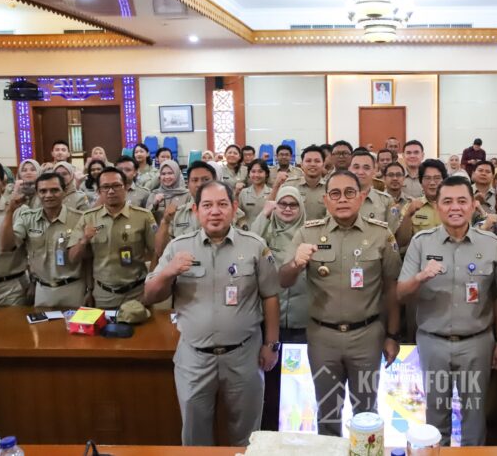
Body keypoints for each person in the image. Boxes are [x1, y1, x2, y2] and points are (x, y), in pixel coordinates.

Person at [144, 180, 280, 446]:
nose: (214, 211)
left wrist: (271, 344)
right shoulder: (178, 247)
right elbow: (150, 295)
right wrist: (168, 271)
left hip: (244, 356)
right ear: (196, 210)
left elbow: (270, 296)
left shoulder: (254, 245)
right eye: (207, 205)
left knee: (247, 436)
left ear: (234, 207)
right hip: (194, 358)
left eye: (222, 204)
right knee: (195, 437)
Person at [279, 171, 401, 437]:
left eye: (349, 193)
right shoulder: (308, 233)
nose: (342, 199)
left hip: (367, 337)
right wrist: (295, 263)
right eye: (335, 193)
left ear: (361, 197)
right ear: (326, 199)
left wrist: (392, 335)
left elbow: (391, 289)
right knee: (328, 412)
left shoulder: (381, 235)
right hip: (323, 338)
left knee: (367, 413)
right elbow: (284, 280)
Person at [397, 177, 497, 446]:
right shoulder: (421, 243)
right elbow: (401, 293)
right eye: (447, 201)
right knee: (436, 416)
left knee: (474, 415)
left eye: (462, 201)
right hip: (433, 341)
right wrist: (420, 277)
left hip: (477, 343)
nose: (454, 207)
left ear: (473, 205)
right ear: (437, 206)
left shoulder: (490, 244)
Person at [251, 186, 308, 430]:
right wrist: (264, 214)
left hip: (301, 320)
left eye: (292, 204)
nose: (286, 208)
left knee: (299, 385)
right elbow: (249, 241)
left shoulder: (308, 235)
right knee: (269, 384)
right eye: (282, 203)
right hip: (268, 322)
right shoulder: (265, 233)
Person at [68, 167, 157, 308]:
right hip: (103, 294)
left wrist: (151, 284)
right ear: (98, 192)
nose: (111, 191)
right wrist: (84, 240)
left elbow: (157, 253)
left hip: (137, 292)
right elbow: (73, 258)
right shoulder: (88, 218)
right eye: (105, 187)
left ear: (126, 188)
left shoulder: (143, 216)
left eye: (116, 186)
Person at [1, 172, 85, 308]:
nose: (48, 195)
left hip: (74, 288)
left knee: (73, 329)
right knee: (42, 329)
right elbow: (6, 246)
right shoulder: (28, 218)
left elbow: (88, 259)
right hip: (42, 290)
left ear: (64, 192)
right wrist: (10, 212)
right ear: (37, 193)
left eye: (54, 190)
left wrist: (90, 290)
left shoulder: (80, 218)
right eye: (43, 191)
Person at [155, 161, 249, 257]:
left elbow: (244, 246)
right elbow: (161, 252)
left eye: (205, 179)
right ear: (188, 184)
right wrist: (165, 222)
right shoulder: (177, 214)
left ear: (215, 181)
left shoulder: (233, 212)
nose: (199, 184)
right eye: (194, 180)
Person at [0, 159, 29, 307]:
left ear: (4, 184)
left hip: (9, 289)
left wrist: (9, 212)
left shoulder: (19, 210)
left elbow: (7, 246)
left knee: (12, 330)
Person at [396, 159, 447, 247]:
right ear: (421, 182)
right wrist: (408, 215)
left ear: (444, 181)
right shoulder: (411, 206)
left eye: (437, 178)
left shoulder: (454, 207)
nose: (432, 183)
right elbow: (401, 242)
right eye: (427, 178)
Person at [350, 150, 400, 232]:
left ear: (374, 171)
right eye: (356, 167)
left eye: (366, 168)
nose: (360, 172)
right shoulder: (339, 199)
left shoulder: (386, 201)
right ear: (349, 169)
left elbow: (392, 235)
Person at [286, 145, 327, 221]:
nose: (313, 164)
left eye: (317, 161)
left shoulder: (330, 187)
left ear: (323, 165)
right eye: (308, 161)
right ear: (301, 165)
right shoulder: (290, 186)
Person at [239, 159, 274, 227]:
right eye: (253, 171)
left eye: (260, 171)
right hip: (247, 232)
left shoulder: (272, 193)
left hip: (267, 234)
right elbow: (238, 214)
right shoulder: (243, 193)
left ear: (266, 174)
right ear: (249, 174)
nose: (256, 175)